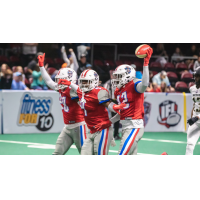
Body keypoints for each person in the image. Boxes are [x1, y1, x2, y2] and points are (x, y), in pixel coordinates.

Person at [58, 69, 126, 155]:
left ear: (94, 82)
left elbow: (112, 107)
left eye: (86, 82)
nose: (83, 84)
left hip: (102, 130)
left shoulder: (98, 92)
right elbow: (79, 89)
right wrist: (70, 84)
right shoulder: (81, 93)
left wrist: (110, 119)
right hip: (91, 131)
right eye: (82, 82)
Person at [37, 53, 87, 155]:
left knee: (85, 154)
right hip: (67, 128)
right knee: (57, 154)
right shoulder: (62, 88)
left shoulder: (72, 90)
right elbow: (49, 81)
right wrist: (41, 67)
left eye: (61, 80)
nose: (58, 82)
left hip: (79, 127)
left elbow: (84, 99)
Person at [109, 47, 153, 155]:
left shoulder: (134, 84)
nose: (116, 79)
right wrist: (108, 122)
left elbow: (144, 84)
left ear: (127, 76)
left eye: (119, 76)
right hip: (125, 127)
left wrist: (146, 63)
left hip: (134, 126)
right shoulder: (118, 91)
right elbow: (122, 113)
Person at [186, 67, 200, 155]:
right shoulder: (192, 88)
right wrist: (192, 117)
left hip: (197, 118)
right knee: (190, 145)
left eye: (198, 76)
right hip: (196, 120)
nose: (196, 78)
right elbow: (194, 104)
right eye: (196, 76)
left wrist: (197, 117)